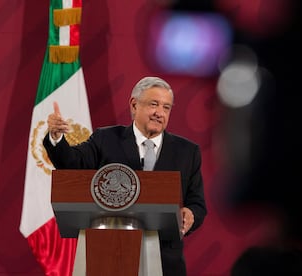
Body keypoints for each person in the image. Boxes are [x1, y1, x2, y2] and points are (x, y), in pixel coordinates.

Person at [43, 76, 207, 276]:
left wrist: (190, 214)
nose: (159, 113)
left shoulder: (187, 152)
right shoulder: (106, 139)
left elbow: (197, 204)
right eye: (153, 104)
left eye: (166, 107)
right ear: (134, 104)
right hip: (109, 255)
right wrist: (56, 137)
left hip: (165, 262)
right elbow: (71, 163)